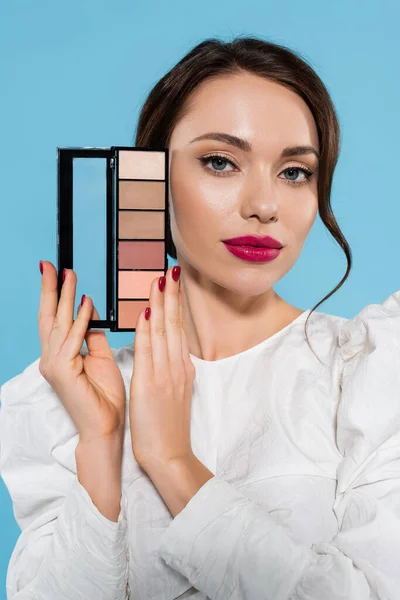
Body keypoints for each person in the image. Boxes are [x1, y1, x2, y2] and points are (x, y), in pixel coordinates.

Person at [1, 35, 400, 600]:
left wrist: (172, 461)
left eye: (294, 172)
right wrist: (101, 444)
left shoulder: (368, 374)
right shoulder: (67, 402)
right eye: (221, 162)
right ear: (148, 180)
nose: (264, 205)